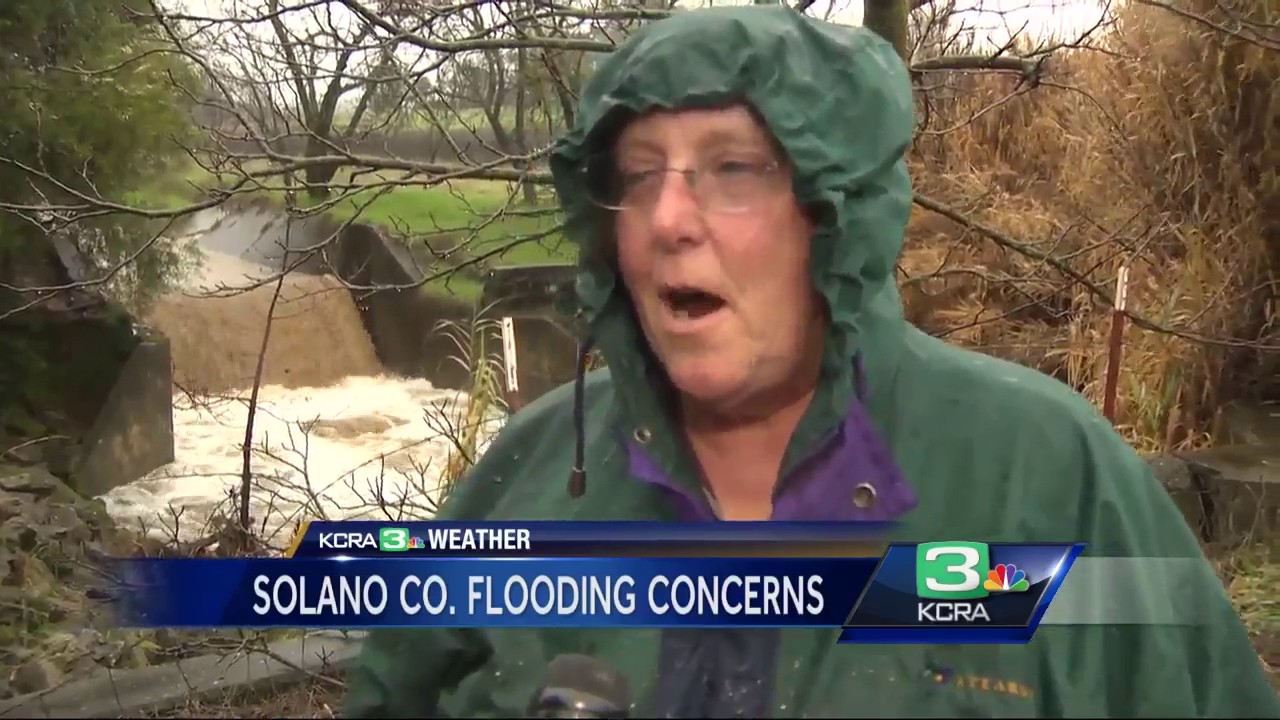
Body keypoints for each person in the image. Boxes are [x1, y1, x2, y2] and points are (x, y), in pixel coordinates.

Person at [345, 6, 1279, 717]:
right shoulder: (528, 478)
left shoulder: (1047, 477)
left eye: (733, 168)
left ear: (836, 216)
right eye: (638, 174)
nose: (670, 218)